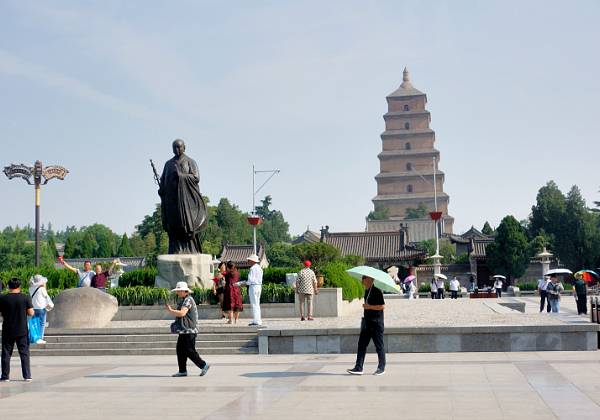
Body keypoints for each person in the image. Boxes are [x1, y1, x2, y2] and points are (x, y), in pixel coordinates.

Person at [158, 139, 208, 254]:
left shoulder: (190, 162)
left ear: (184, 147)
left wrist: (181, 176)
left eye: (179, 147)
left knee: (186, 225)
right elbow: (163, 181)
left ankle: (190, 249)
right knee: (173, 225)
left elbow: (196, 178)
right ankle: (176, 249)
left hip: (187, 202)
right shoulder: (168, 164)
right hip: (172, 201)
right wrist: (162, 190)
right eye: (174, 147)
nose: (177, 149)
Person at [166, 282, 210, 377]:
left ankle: (203, 365)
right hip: (184, 331)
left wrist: (171, 311)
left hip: (189, 331)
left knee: (189, 350)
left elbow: (182, 313)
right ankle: (182, 371)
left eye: (178, 291)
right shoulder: (184, 299)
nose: (177, 293)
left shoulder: (188, 300)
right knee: (180, 350)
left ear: (183, 291)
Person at [347, 275, 386, 376]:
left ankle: (381, 367)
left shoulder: (377, 291)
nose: (362, 280)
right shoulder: (367, 291)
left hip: (376, 323)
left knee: (379, 346)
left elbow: (382, 306)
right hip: (367, 323)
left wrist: (369, 306)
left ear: (369, 280)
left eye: (364, 278)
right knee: (361, 345)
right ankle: (358, 367)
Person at [0, 278, 34, 382]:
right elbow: (31, 312)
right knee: (24, 353)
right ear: (19, 286)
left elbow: (0, 313)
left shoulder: (3, 298)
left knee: (6, 353)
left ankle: (5, 376)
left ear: (8, 287)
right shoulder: (25, 297)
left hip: (8, 329)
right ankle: (27, 376)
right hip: (22, 329)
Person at [238, 254, 263, 327]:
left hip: (253, 287)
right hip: (258, 286)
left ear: (252, 261)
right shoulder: (259, 268)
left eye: (249, 260)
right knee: (257, 304)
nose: (248, 261)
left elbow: (250, 281)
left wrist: (241, 283)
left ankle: (256, 321)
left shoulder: (252, 268)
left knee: (254, 304)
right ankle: (258, 320)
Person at [29, 275, 54, 344]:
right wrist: (44, 286)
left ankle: (34, 337)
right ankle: (40, 338)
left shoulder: (30, 288)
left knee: (35, 323)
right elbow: (46, 296)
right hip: (41, 308)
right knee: (42, 324)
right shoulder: (42, 289)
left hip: (34, 308)